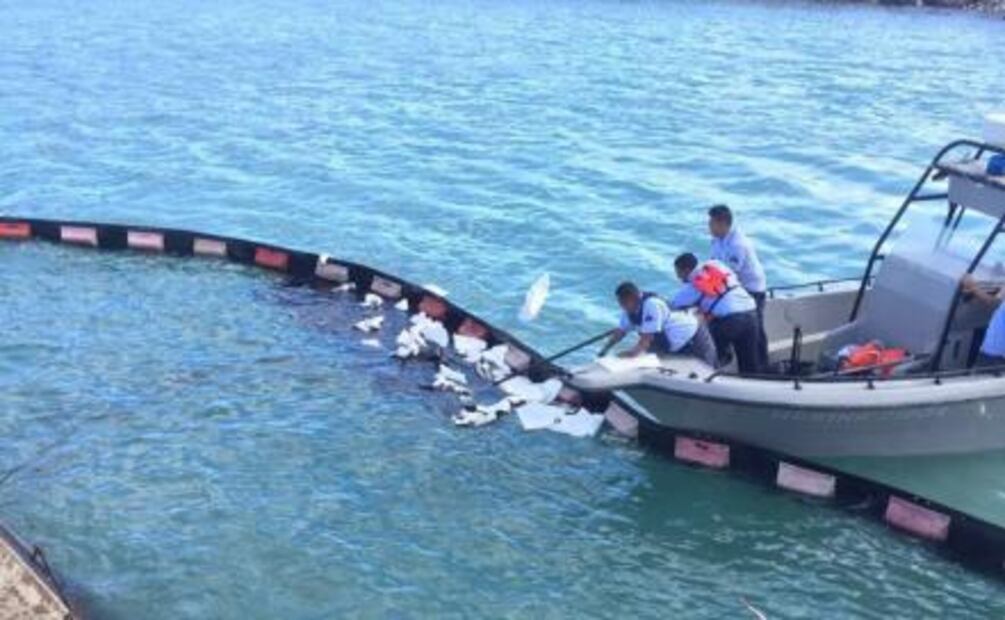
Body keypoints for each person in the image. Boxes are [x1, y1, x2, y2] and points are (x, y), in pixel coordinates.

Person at [671, 253, 762, 374]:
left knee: (708, 349)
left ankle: (717, 369)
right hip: (751, 312)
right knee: (749, 364)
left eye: (679, 274)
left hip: (731, 321)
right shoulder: (715, 264)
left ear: (686, 270)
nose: (679, 278)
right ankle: (752, 384)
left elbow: (673, 308)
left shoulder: (691, 288)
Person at [599, 281, 718, 367]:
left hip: (693, 337)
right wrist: (604, 350)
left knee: (707, 371)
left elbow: (645, 341)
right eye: (620, 303)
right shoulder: (629, 311)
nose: (621, 306)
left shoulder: (652, 305)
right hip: (671, 345)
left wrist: (627, 356)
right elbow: (620, 333)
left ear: (633, 298)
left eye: (623, 303)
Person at [708, 204, 769, 368]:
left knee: (756, 331)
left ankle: (762, 367)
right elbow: (713, 267)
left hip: (751, 290)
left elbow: (729, 276)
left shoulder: (738, 244)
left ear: (722, 223)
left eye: (711, 223)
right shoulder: (716, 240)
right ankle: (725, 354)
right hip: (735, 288)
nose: (709, 227)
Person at [961, 274, 1005, 367]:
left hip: (996, 354)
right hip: (987, 347)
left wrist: (973, 288)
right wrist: (973, 289)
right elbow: (994, 300)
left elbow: (992, 303)